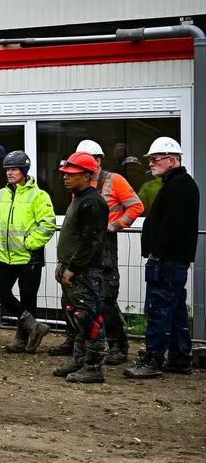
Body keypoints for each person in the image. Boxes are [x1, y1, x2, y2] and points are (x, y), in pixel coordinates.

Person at [48, 140, 142, 366]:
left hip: (103, 246)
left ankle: (116, 346)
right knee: (73, 301)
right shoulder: (79, 192)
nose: (67, 176)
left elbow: (136, 206)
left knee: (105, 300)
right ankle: (75, 344)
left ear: (97, 161)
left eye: (74, 170)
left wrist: (115, 225)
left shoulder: (113, 181)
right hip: (84, 249)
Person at [126, 137, 199, 379]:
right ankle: (179, 357)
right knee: (175, 309)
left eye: (155, 159)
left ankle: (153, 359)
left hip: (167, 259)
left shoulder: (177, 185)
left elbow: (171, 224)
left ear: (171, 159)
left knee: (158, 310)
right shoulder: (178, 183)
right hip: (172, 259)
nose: (151, 164)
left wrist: (156, 250)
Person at [0, 150, 56, 353]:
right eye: (7, 169)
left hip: (29, 257)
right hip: (5, 255)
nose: (9, 173)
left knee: (28, 298)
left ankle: (22, 339)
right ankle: (35, 327)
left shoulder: (39, 195)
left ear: (24, 170)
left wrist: (29, 243)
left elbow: (47, 224)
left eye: (14, 169)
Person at [52, 152, 109, 383]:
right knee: (75, 316)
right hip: (73, 268)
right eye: (65, 174)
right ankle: (80, 360)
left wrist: (72, 268)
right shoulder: (79, 198)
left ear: (86, 176)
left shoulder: (93, 203)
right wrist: (63, 263)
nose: (65, 177)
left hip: (84, 271)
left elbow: (90, 242)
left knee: (88, 317)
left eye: (71, 174)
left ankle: (94, 367)